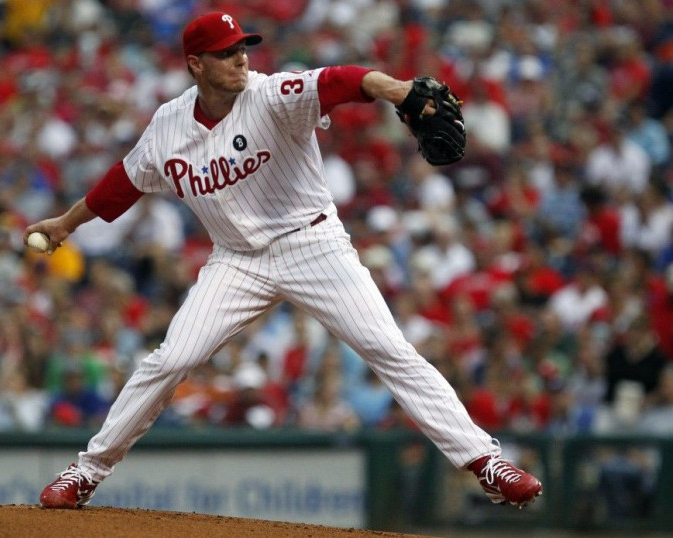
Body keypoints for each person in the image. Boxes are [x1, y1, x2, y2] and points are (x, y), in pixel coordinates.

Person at [32, 12, 542, 511]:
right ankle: (88, 471)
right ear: (195, 65)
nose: (239, 58)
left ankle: (485, 462)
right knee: (170, 360)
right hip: (236, 262)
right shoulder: (168, 125)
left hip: (312, 246)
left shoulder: (271, 94)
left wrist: (400, 90)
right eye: (225, 53)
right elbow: (121, 185)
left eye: (241, 48)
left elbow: (343, 80)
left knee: (389, 348)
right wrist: (65, 224)